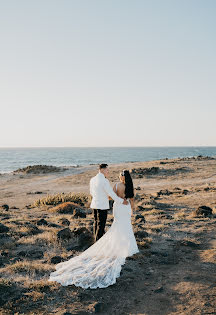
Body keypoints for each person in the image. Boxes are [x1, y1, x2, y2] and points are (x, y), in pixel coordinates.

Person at [49, 169, 139, 289]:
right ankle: (127, 248)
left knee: (117, 226)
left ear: (121, 177)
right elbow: (132, 201)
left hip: (118, 208)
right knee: (126, 226)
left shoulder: (116, 185)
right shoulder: (131, 187)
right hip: (126, 208)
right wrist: (132, 210)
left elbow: (111, 197)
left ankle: (118, 246)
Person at [90, 163, 128, 241]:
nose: (108, 172)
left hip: (94, 204)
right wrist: (121, 201)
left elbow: (91, 193)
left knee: (96, 223)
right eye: (107, 170)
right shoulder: (104, 181)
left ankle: (96, 241)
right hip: (102, 206)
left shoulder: (92, 179)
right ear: (102, 170)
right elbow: (111, 194)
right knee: (101, 225)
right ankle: (98, 244)